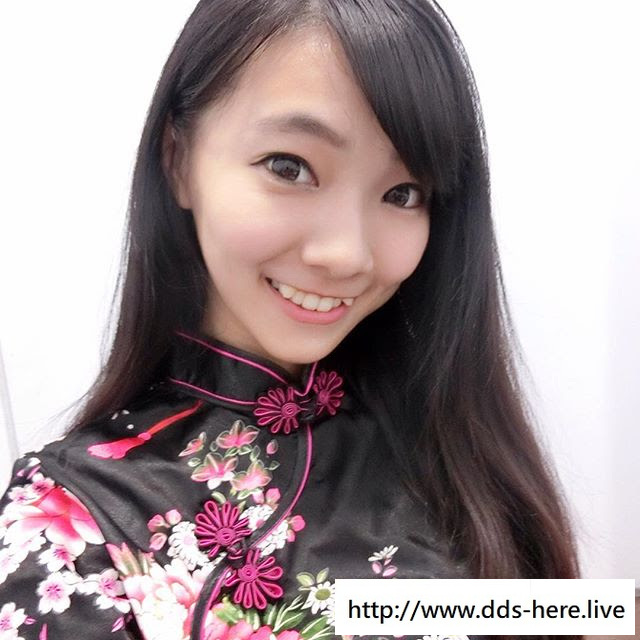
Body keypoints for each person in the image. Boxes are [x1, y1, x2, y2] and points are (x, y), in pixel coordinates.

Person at [0, 1, 582, 639]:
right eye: (289, 167)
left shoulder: (450, 441)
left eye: (402, 193)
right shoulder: (72, 522)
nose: (347, 255)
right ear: (177, 159)